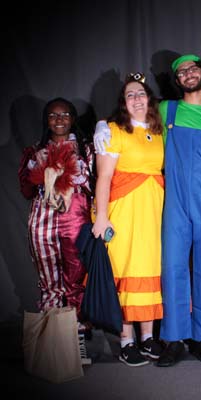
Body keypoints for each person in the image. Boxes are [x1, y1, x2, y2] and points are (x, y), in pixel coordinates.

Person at [94, 55, 201, 367]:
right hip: (173, 203)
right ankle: (174, 338)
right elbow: (132, 116)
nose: (188, 74)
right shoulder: (167, 110)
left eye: (193, 69)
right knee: (172, 269)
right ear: (176, 81)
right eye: (182, 71)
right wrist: (102, 124)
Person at [92, 73, 165, 367]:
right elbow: (104, 177)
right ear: (123, 102)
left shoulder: (158, 131)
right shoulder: (113, 130)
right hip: (122, 211)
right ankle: (126, 341)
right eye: (129, 95)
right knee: (124, 271)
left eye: (140, 93)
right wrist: (102, 217)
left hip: (152, 211)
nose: (136, 99)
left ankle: (147, 337)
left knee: (147, 270)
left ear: (149, 98)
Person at [18, 97, 95, 365]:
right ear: (46, 120)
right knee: (50, 283)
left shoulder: (85, 149)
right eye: (53, 115)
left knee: (76, 281)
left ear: (73, 118)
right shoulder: (34, 150)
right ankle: (53, 348)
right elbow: (26, 190)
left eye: (65, 114)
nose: (59, 120)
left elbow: (96, 185)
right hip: (42, 223)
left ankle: (77, 343)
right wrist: (35, 167)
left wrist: (75, 173)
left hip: (76, 221)